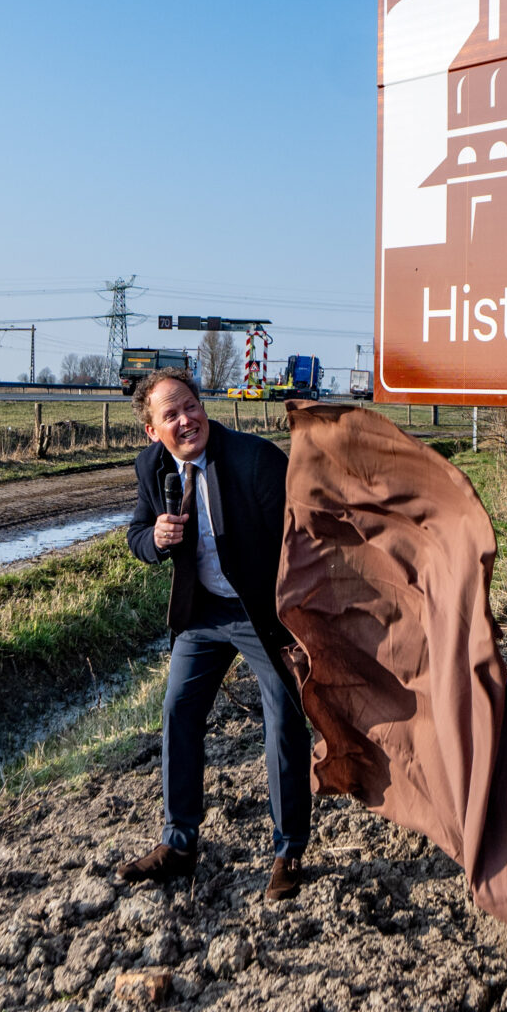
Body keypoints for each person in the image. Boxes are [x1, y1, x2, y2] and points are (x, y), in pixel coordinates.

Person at [118, 369, 310, 899]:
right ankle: (178, 844)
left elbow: (306, 541)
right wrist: (154, 539)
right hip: (202, 614)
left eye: (191, 406)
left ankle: (289, 849)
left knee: (283, 714)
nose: (186, 420)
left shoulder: (254, 460)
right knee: (178, 709)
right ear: (152, 431)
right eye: (170, 415)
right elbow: (136, 534)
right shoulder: (152, 468)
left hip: (261, 611)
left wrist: (297, 624)